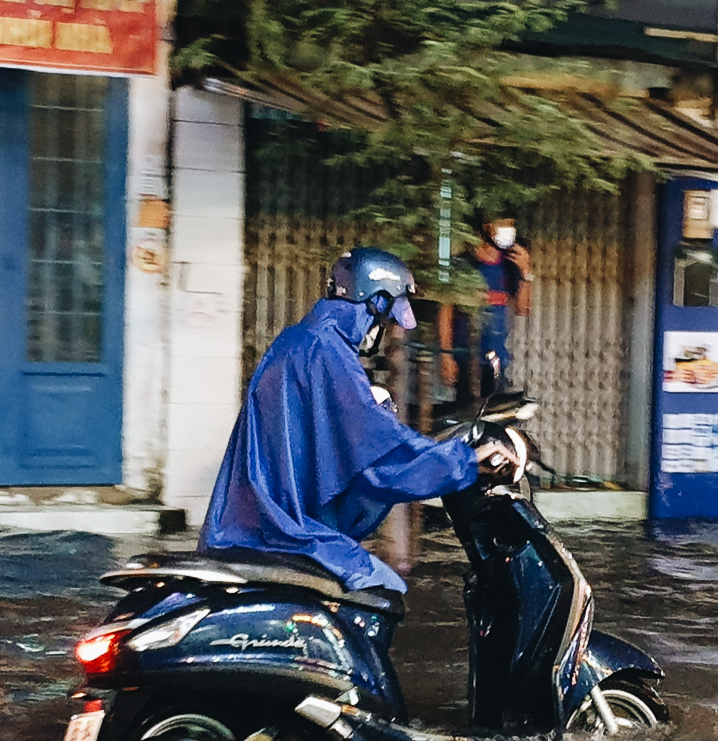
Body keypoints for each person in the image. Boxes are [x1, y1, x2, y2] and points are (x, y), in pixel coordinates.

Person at [199, 246, 504, 595]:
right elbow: (379, 459)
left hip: (251, 523)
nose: (386, 329)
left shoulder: (300, 342)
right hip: (283, 530)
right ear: (373, 303)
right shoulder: (328, 354)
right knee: (386, 591)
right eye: (387, 317)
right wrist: (465, 460)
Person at [437, 216, 534, 401]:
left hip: (497, 360)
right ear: (487, 227)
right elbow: (446, 312)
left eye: (512, 225)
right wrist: (446, 356)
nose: (509, 230)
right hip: (466, 359)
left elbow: (522, 308)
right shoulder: (464, 264)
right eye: (504, 224)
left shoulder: (509, 266)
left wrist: (525, 272)